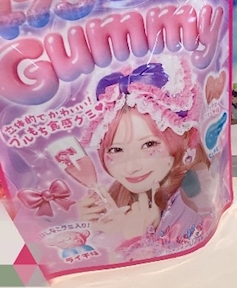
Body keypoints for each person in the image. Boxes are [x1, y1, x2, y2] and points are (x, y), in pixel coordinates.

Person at [76, 60, 215, 248]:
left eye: (149, 144)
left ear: (183, 137)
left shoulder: (194, 195)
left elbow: (191, 258)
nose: (131, 167)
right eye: (116, 149)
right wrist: (94, 230)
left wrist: (134, 239)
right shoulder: (118, 196)